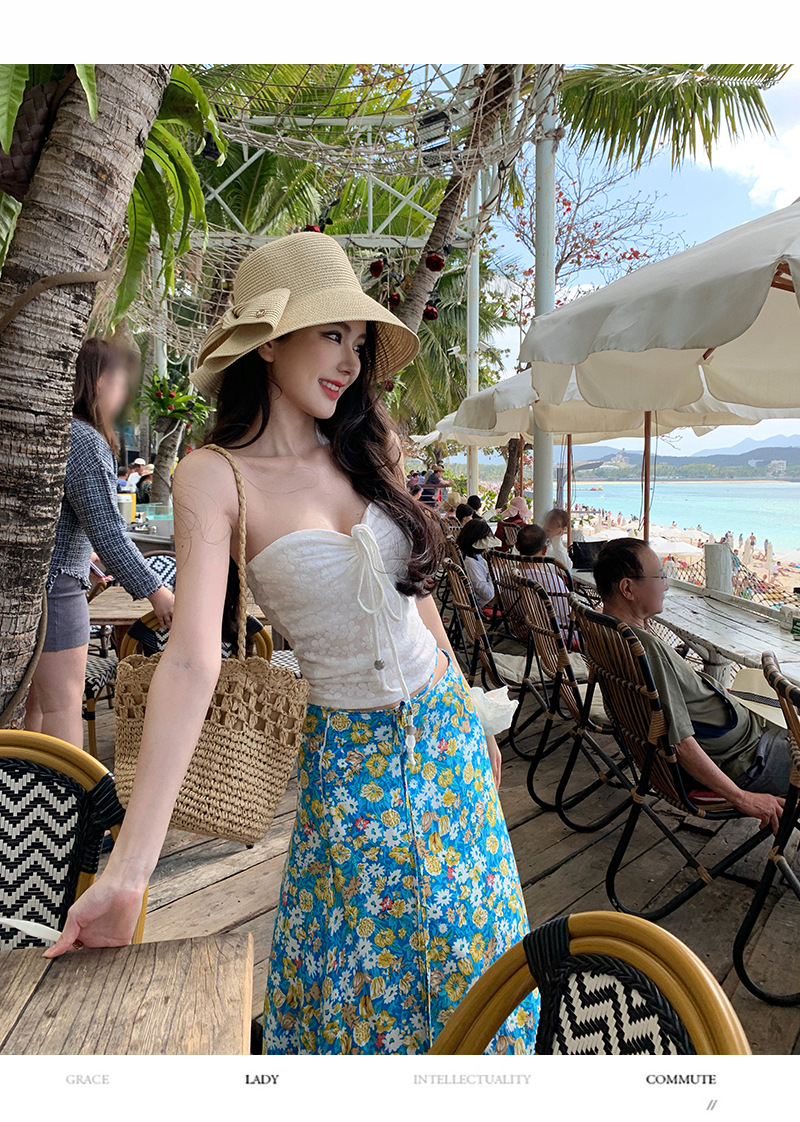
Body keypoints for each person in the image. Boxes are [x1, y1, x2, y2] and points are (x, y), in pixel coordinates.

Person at [43, 232, 538, 1057]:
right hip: (348, 763)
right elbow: (193, 660)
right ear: (268, 343)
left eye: (358, 341)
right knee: (362, 995)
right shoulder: (216, 476)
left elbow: (416, 597)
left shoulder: (369, 449)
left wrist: (472, 714)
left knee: (475, 966)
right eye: (330, 334)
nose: (349, 361)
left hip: (449, 744)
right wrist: (128, 872)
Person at [24, 338, 175, 749]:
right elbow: (109, 533)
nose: (124, 395)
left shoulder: (48, 430)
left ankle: (30, 784)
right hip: (57, 590)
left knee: (32, 709)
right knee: (62, 707)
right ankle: (67, 789)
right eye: (122, 383)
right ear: (101, 381)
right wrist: (157, 591)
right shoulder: (85, 441)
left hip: (32, 590)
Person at [594, 538, 790, 831]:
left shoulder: (607, 631)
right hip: (746, 759)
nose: (666, 586)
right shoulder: (645, 651)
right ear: (628, 589)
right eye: (660, 576)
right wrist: (743, 798)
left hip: (744, 739)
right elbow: (681, 744)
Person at [515, 523, 571, 641]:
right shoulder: (552, 581)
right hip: (554, 635)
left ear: (517, 546)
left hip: (522, 628)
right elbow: (566, 612)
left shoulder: (508, 576)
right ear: (544, 549)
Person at [457, 517, 500, 609]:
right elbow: (488, 594)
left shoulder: (474, 557)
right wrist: (495, 570)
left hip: (483, 599)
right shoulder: (471, 563)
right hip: (484, 604)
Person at [541, 508, 572, 572]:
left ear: (562, 529)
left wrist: (556, 540)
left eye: (555, 523)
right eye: (549, 520)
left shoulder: (556, 547)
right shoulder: (535, 538)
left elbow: (567, 568)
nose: (550, 525)